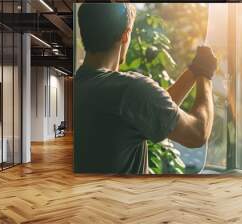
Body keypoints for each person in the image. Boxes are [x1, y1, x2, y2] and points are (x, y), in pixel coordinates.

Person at [74, 3, 217, 174]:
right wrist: (205, 77)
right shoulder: (130, 90)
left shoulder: (79, 85)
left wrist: (193, 71)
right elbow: (197, 133)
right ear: (125, 35)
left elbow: (152, 110)